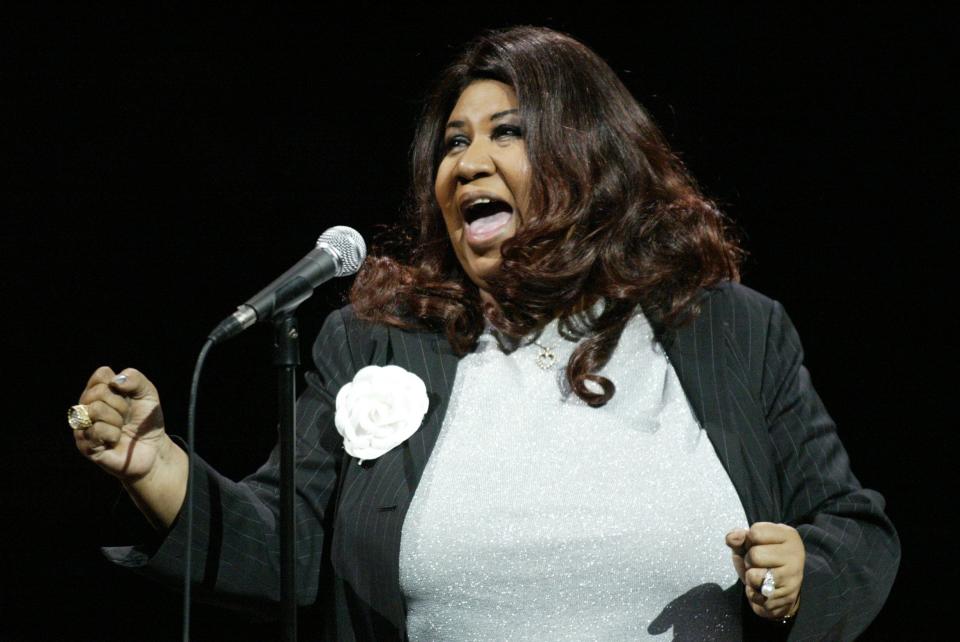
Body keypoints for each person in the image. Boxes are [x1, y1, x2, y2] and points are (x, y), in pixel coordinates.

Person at [71, 26, 899, 640]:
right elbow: (285, 551)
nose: (467, 162)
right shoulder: (375, 344)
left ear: (592, 157)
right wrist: (156, 465)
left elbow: (854, 531)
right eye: (453, 143)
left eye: (507, 133)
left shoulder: (732, 332)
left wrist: (802, 573)